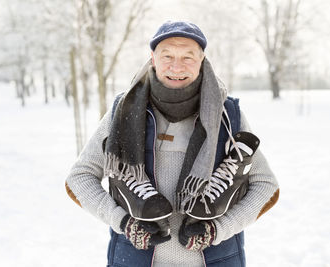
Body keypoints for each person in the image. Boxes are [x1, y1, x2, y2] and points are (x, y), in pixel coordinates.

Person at [65, 21, 279, 267]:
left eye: (188, 57)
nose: (177, 66)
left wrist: (219, 229)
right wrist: (124, 223)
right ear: (153, 59)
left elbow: (266, 187)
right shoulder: (123, 111)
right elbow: (79, 178)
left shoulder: (228, 115)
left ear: (202, 61)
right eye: (167, 55)